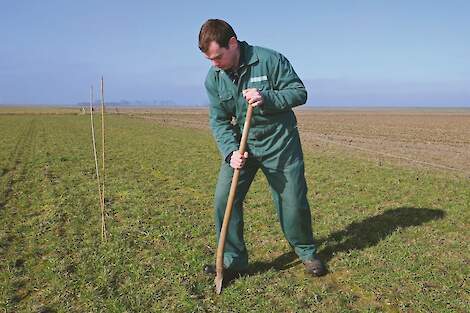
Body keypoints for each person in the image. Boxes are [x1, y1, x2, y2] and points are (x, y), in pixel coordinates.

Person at [198, 19, 325, 277]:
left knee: (292, 201)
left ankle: (306, 252)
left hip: (280, 143)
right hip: (242, 146)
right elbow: (219, 120)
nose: (214, 64)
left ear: (232, 43)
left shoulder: (269, 60)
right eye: (210, 59)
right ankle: (233, 261)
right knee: (225, 199)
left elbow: (299, 92)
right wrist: (230, 151)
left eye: (218, 57)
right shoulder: (214, 78)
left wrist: (267, 98)